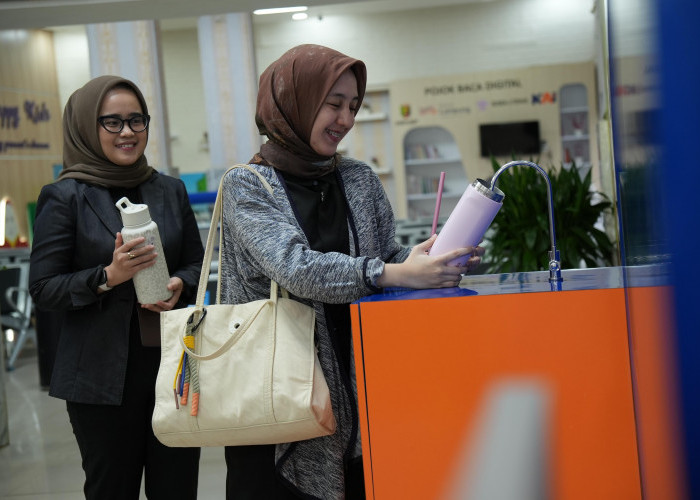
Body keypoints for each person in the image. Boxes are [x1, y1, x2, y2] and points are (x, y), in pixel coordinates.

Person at [219, 44, 484, 499]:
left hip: (362, 391)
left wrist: (424, 262)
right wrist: (394, 272)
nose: (345, 119)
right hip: (276, 400)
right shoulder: (246, 185)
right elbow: (296, 268)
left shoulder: (359, 178)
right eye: (333, 103)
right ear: (294, 101)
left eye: (354, 106)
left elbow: (386, 258)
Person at [28, 75, 204, 500]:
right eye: (112, 122)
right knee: (112, 488)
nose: (127, 132)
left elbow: (198, 261)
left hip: (174, 368)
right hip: (100, 379)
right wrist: (109, 276)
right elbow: (44, 287)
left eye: (136, 120)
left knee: (177, 488)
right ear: (89, 127)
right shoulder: (65, 196)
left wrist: (181, 282)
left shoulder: (169, 189)